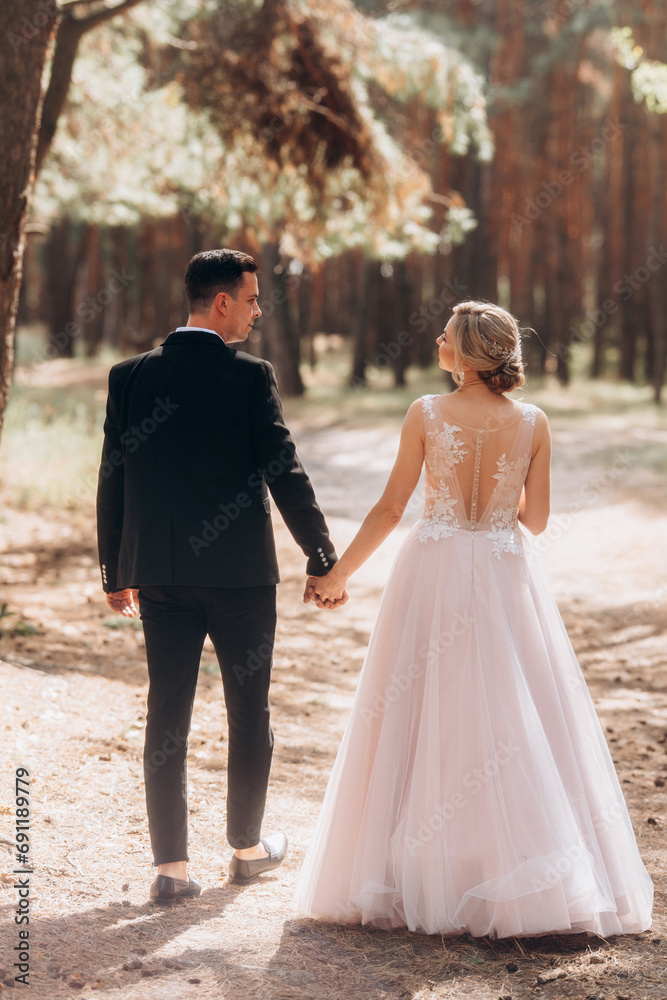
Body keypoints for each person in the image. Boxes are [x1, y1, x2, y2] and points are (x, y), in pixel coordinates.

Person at [295, 300, 653, 938]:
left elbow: (389, 507)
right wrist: (497, 492)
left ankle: (422, 865)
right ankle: (511, 858)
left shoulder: (426, 413)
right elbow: (536, 521)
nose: (437, 337)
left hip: (433, 568)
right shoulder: (534, 422)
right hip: (502, 569)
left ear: (464, 354)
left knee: (425, 703)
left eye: (447, 334)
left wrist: (337, 574)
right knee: (509, 706)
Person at [97, 249, 345, 906]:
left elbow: (112, 477)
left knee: (166, 716)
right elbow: (283, 471)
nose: (260, 311)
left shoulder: (129, 378)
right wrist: (321, 557)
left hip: (159, 577)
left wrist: (112, 570)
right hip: (239, 579)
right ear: (221, 302)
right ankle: (246, 849)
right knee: (247, 710)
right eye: (254, 299)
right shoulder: (250, 377)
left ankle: (171, 871)